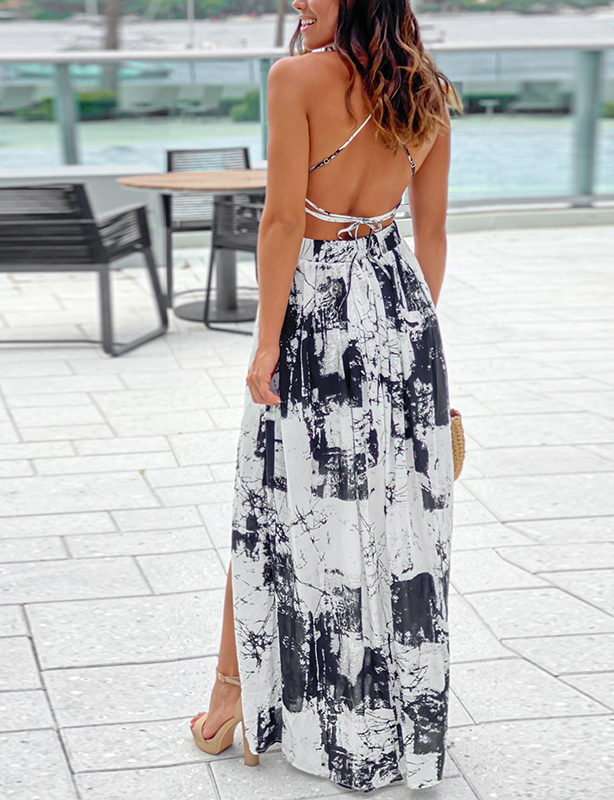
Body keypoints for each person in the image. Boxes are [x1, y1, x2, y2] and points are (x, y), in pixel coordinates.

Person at [190, 0, 461, 792]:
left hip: (317, 314)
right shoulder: (426, 87)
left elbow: (282, 222)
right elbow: (431, 233)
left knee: (277, 504)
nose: (296, 1)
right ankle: (388, 720)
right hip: (403, 314)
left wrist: (267, 341)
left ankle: (236, 702)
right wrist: (404, 341)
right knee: (391, 521)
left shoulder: (295, 78)